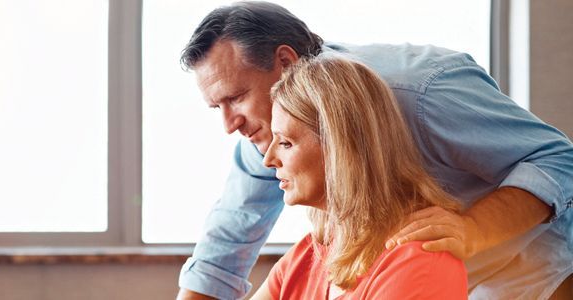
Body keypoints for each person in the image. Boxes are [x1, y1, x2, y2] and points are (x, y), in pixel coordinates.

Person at [176, 2, 573, 299]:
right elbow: (224, 247)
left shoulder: (420, 92)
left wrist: (473, 230)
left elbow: (557, 161)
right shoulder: (268, 125)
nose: (230, 124)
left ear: (284, 61)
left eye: (236, 98)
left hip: (529, 272)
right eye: (218, 108)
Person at [249, 52, 467, 300]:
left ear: (341, 148)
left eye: (286, 143)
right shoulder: (306, 256)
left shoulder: (421, 259)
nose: (268, 160)